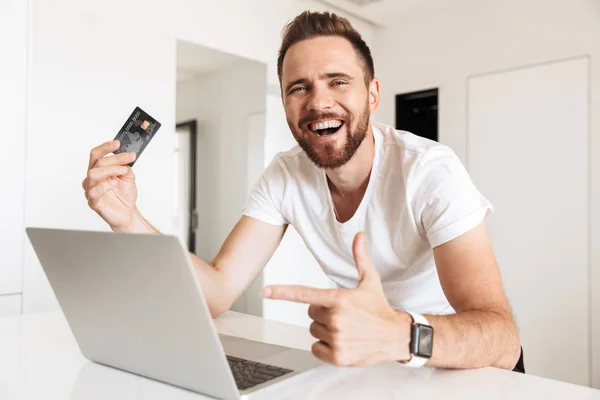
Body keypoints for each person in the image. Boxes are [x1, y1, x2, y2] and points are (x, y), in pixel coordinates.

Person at [82, 11, 523, 371]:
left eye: (338, 81)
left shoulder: (430, 172)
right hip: (377, 363)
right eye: (299, 87)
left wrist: (399, 333)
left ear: (372, 94)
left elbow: (503, 340)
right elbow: (215, 293)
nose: (318, 102)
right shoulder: (285, 175)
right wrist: (128, 219)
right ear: (286, 102)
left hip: (464, 367)